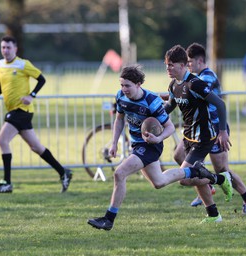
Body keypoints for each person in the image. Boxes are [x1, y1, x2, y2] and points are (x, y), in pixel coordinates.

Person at [87, 65, 226, 231]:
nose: (124, 89)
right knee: (159, 182)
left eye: (127, 85)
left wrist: (158, 138)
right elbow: (119, 119)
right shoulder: (120, 97)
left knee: (119, 173)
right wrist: (114, 142)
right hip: (137, 145)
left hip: (151, 146)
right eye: (121, 85)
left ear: (138, 84)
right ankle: (198, 172)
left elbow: (169, 127)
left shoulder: (151, 101)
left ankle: (108, 219)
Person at [172, 42, 246, 214]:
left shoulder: (207, 77)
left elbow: (195, 92)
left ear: (200, 60)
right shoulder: (192, 79)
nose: (187, 65)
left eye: (189, 62)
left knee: (222, 169)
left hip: (214, 127)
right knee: (179, 155)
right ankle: (207, 183)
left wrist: (222, 131)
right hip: (198, 129)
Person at [0, 35, 73, 193]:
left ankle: (6, 182)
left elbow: (42, 79)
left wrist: (31, 96)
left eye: (8, 47)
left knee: (2, 141)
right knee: (36, 147)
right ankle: (63, 172)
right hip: (13, 110)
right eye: (3, 47)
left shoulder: (22, 64)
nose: (5, 50)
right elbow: (1, 85)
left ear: (15, 49)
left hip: (22, 111)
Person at [163, 45, 234, 223]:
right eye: (166, 65)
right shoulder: (173, 85)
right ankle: (214, 215)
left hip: (203, 138)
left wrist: (223, 132)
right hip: (188, 135)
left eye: (171, 65)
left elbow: (220, 104)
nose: (168, 68)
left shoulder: (195, 84)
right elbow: (169, 107)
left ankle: (220, 179)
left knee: (185, 179)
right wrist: (151, 113)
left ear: (182, 65)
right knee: (185, 163)